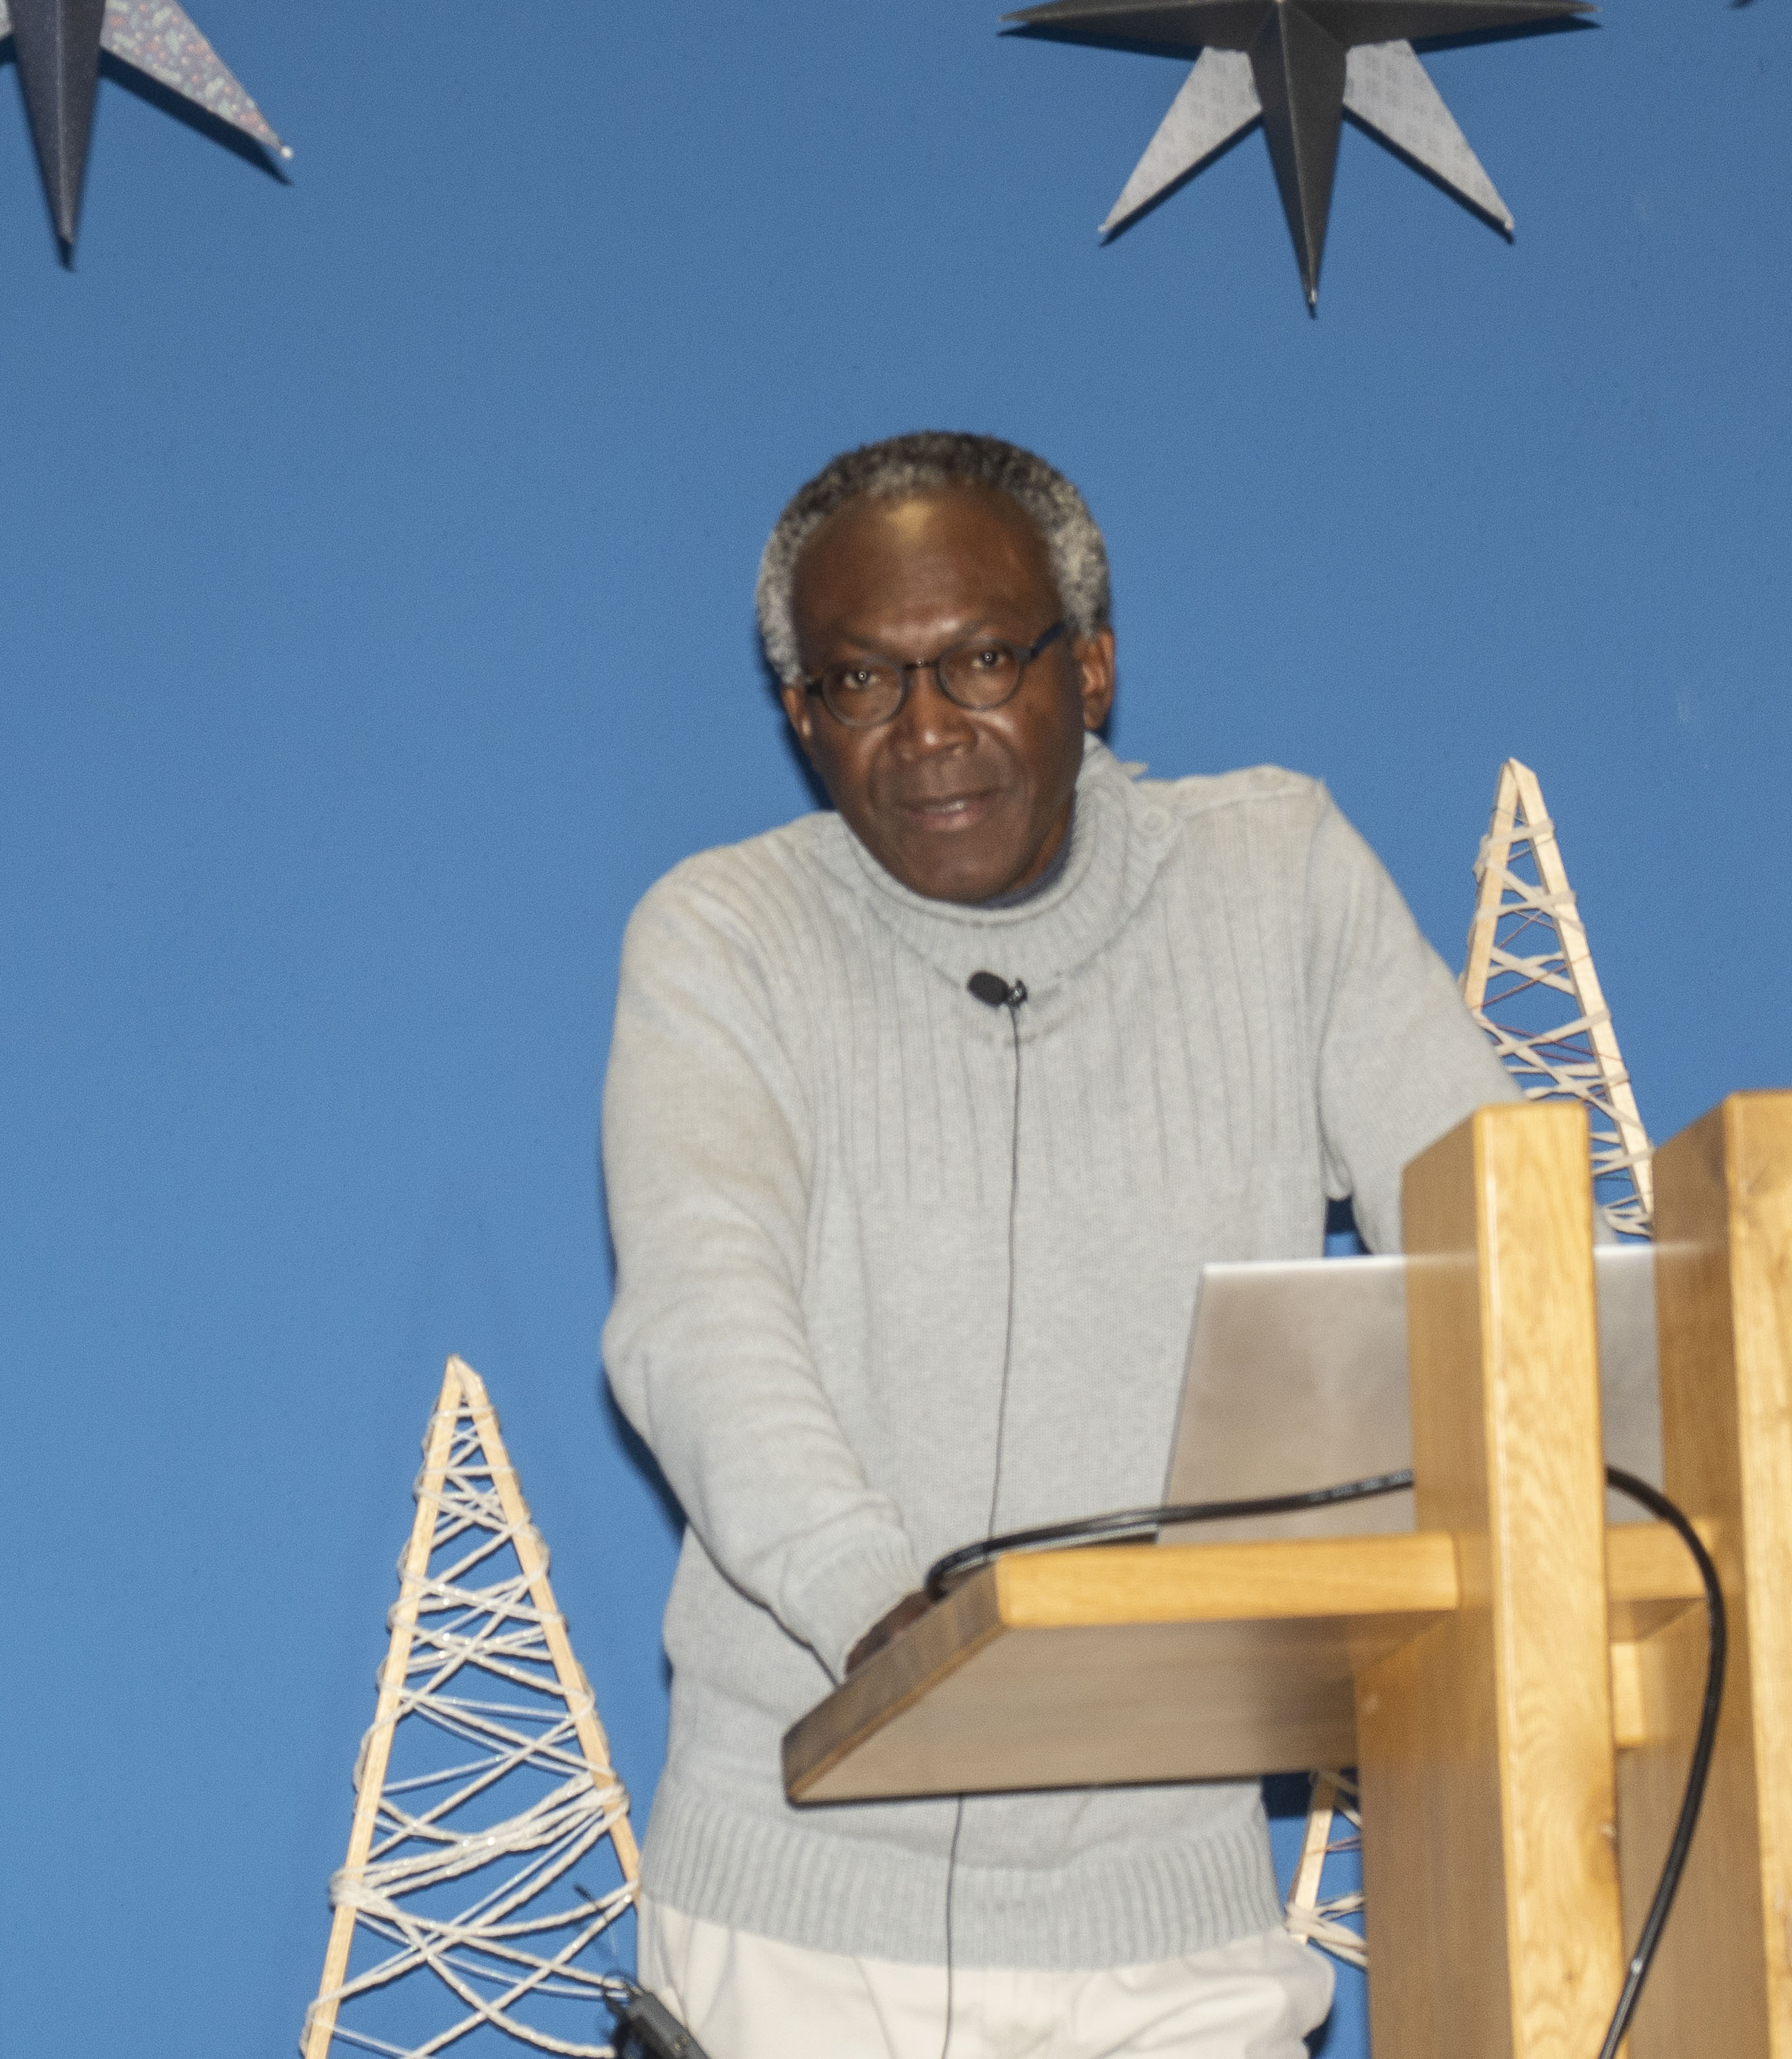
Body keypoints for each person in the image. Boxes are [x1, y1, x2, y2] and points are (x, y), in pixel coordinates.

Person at [600, 431, 1515, 2058]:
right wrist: (898, 1622)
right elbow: (700, 1318)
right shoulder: (723, 938)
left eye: (981, 661)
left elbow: (1504, 1250)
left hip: (1168, 1930)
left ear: (1089, 669)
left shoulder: (1278, 880)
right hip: (799, 1923)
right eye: (862, 681)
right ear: (802, 715)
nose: (926, 730)